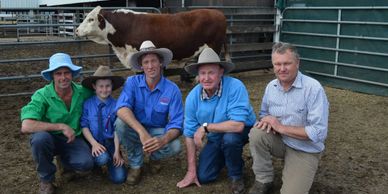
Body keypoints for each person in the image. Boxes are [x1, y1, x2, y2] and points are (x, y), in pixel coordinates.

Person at [248, 42, 329, 194]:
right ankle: (263, 179)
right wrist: (266, 119)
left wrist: (279, 127)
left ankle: (297, 170)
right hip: (280, 141)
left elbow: (318, 133)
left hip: (304, 149)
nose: (282, 69)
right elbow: (264, 114)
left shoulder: (313, 88)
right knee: (256, 133)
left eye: (287, 63)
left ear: (297, 63)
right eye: (277, 64)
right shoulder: (271, 86)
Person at [177, 48, 256, 194]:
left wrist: (205, 127)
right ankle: (231, 158)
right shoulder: (192, 98)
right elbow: (189, 135)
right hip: (216, 134)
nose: (206, 78)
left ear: (221, 72)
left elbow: (238, 125)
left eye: (211, 72)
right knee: (205, 176)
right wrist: (191, 170)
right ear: (198, 75)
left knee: (230, 139)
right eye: (202, 73)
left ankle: (236, 176)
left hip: (244, 129)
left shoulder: (235, 86)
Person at [20, 53, 94, 194]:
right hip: (50, 138)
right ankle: (46, 180)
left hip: (73, 138)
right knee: (39, 139)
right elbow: (26, 125)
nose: (63, 77)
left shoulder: (83, 92)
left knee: (86, 164)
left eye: (67, 72)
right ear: (52, 76)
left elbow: (101, 94)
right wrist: (61, 126)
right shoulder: (42, 95)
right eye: (58, 73)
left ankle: (65, 163)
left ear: (72, 74)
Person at [115, 40, 183, 185]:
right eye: (146, 62)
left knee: (175, 145)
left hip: (157, 131)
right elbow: (121, 108)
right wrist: (141, 132)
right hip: (136, 130)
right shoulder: (132, 82)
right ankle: (136, 164)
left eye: (154, 61)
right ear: (141, 66)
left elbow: (177, 123)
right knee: (120, 123)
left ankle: (155, 157)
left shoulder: (172, 89)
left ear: (161, 63)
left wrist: (163, 139)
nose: (150, 66)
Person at [80, 65, 127, 184]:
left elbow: (117, 129)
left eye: (108, 86)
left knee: (119, 178)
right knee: (102, 158)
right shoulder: (87, 104)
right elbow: (84, 126)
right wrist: (94, 144)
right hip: (94, 142)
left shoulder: (116, 105)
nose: (104, 89)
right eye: (100, 86)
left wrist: (117, 151)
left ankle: (113, 162)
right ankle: (96, 166)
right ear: (94, 86)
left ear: (112, 87)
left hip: (111, 144)